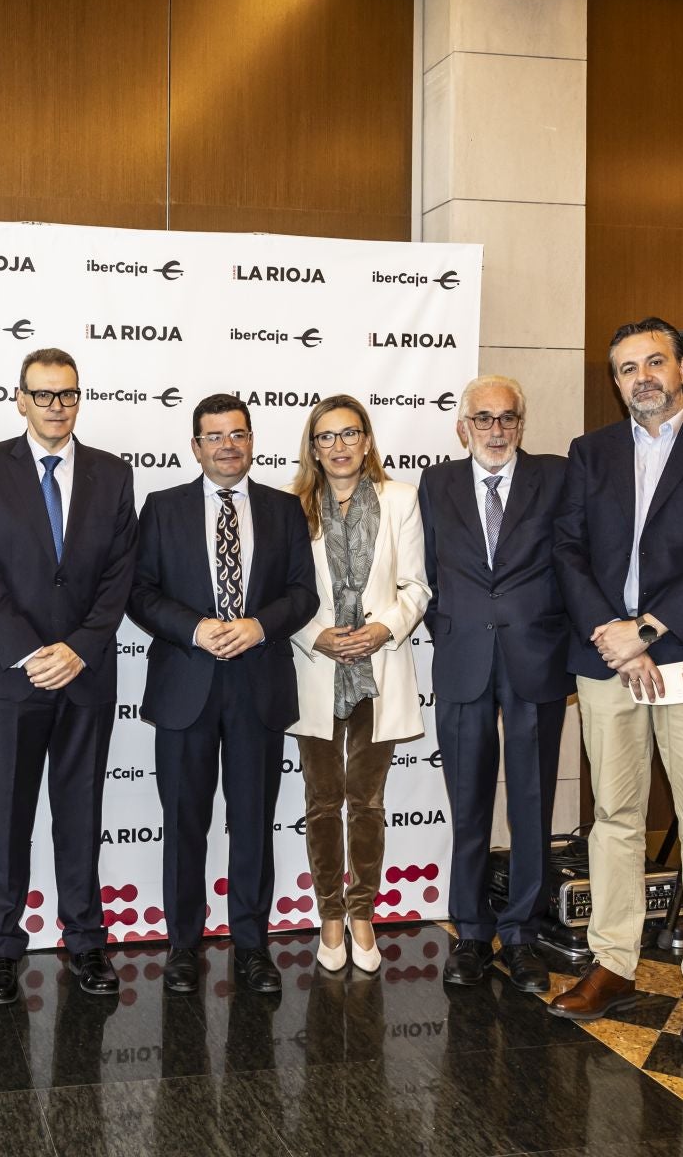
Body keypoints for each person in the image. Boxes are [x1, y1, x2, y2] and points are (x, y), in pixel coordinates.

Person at [549, 317, 683, 1052]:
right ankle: (614, 963)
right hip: (610, 661)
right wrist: (616, 636)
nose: (641, 376)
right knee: (614, 816)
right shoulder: (591, 452)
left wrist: (650, 629)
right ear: (614, 381)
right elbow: (569, 549)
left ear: (682, 368)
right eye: (626, 367)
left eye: (653, 362)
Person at [0, 348, 139, 1004]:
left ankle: (86, 942)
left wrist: (80, 649)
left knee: (80, 812)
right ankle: (1, 949)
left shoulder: (114, 475)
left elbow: (120, 576)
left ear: (78, 399)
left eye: (68, 394)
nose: (57, 405)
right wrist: (36, 652)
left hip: (85, 675)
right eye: (44, 394)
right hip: (11, 675)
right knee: (9, 815)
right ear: (20, 399)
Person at [127, 394, 318, 996]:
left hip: (257, 686)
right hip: (187, 683)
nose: (227, 445)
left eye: (238, 434)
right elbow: (139, 592)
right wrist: (195, 627)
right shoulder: (162, 508)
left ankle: (252, 945)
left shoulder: (284, 509)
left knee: (254, 822)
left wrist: (260, 626)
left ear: (252, 440)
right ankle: (183, 946)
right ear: (195, 446)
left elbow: (302, 593)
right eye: (214, 436)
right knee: (184, 822)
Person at [417, 375, 573, 992]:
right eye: (483, 419)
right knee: (470, 808)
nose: (496, 430)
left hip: (536, 656)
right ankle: (473, 933)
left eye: (507, 418)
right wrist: (450, 627)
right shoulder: (437, 484)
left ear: (522, 425)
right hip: (462, 659)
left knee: (532, 802)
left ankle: (525, 934)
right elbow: (427, 568)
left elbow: (574, 561)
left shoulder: (556, 477)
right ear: (464, 428)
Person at [286, 396, 430, 975]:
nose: (339, 445)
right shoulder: (292, 506)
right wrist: (316, 635)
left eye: (350, 433)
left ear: (367, 441)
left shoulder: (401, 499)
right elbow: (282, 591)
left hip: (378, 670)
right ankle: (328, 914)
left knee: (366, 801)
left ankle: (363, 912)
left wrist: (381, 630)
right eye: (327, 436)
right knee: (322, 801)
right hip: (316, 669)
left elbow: (416, 587)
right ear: (313, 448)